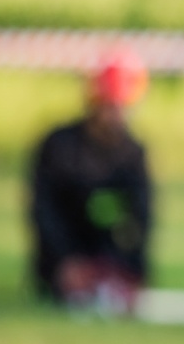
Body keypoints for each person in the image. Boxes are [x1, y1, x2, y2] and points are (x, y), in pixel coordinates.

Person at [29, 48, 154, 313]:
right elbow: (44, 214)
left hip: (111, 267)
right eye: (109, 106)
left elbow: (140, 222)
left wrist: (130, 271)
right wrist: (65, 264)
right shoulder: (59, 148)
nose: (115, 116)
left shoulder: (132, 156)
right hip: (63, 265)